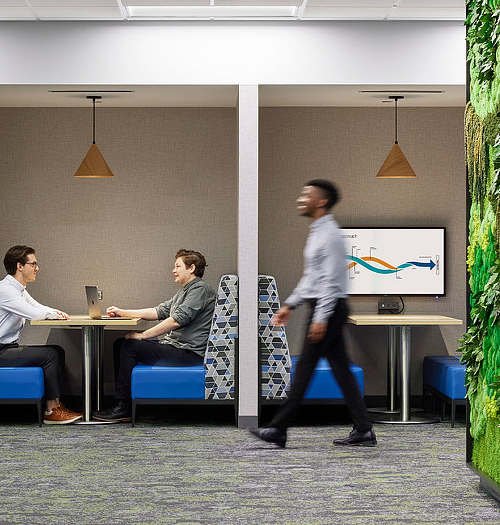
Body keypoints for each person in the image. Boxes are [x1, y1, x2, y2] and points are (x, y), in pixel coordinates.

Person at [248, 179, 376, 448]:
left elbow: (330, 281)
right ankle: (363, 429)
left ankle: (279, 428)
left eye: (306, 195)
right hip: (325, 307)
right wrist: (290, 305)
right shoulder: (318, 231)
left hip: (327, 308)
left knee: (305, 368)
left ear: (321, 201)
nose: (300, 199)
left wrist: (320, 318)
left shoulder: (329, 234)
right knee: (341, 370)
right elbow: (311, 277)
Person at [93, 249, 217, 422]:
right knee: (121, 343)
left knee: (130, 346)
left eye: (177, 266)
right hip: (176, 348)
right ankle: (125, 404)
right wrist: (122, 312)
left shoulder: (200, 290)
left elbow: (175, 321)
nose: (173, 270)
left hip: (188, 354)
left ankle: (123, 407)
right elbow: (159, 311)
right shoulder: (185, 291)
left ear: (191, 268)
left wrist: (143, 336)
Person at [0, 245, 82, 424]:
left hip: (4, 350)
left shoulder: (18, 289)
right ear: (20, 266)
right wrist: (52, 315)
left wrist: (57, 312)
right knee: (48, 355)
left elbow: (38, 307)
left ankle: (57, 405)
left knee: (57, 350)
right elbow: (33, 314)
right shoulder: (5, 290)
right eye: (33, 264)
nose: (37, 268)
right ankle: (51, 411)